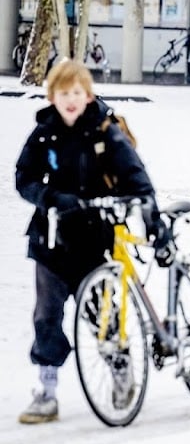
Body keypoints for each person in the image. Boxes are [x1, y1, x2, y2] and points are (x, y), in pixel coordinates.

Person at [14, 59, 158, 424]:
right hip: (51, 239)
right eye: (63, 93)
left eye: (76, 92)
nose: (70, 100)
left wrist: (146, 207)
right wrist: (49, 197)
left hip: (95, 240)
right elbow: (24, 177)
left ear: (88, 95)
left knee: (101, 316)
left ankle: (120, 370)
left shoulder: (104, 131)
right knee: (46, 316)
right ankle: (47, 390)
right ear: (52, 97)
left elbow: (135, 174)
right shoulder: (44, 133)